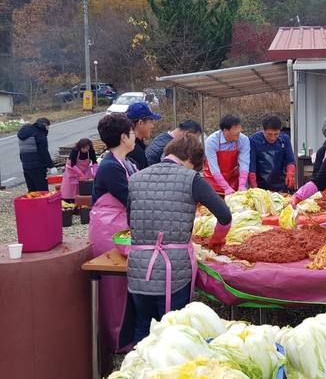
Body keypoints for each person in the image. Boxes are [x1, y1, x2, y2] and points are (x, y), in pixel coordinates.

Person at [127, 133, 232, 344]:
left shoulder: (136, 178)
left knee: (142, 324)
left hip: (139, 267)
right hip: (173, 270)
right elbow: (225, 216)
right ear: (192, 160)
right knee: (174, 330)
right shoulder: (192, 179)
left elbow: (131, 220)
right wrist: (217, 238)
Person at [89, 113, 138, 353]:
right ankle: (116, 341)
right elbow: (131, 198)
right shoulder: (110, 167)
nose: (135, 135)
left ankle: (126, 335)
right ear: (123, 136)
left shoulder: (127, 162)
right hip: (109, 232)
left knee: (125, 286)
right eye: (131, 131)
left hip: (121, 228)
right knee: (113, 290)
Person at [203, 114, 250, 195]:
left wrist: (242, 184)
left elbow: (244, 163)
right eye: (235, 128)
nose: (239, 131)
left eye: (239, 127)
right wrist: (226, 187)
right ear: (225, 131)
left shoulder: (244, 140)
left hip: (232, 177)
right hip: (213, 179)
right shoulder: (212, 141)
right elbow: (214, 168)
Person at [248, 115, 296, 192]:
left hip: (281, 185)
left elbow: (290, 159)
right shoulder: (253, 140)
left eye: (276, 134)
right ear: (262, 129)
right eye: (269, 134)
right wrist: (254, 186)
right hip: (261, 185)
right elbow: (251, 165)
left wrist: (290, 173)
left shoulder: (285, 139)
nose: (272, 138)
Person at [17, 117, 56, 192]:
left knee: (32, 191)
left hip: (26, 166)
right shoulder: (39, 133)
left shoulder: (25, 131)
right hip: (38, 167)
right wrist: (51, 166)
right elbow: (44, 151)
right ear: (44, 125)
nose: (47, 129)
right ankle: (42, 204)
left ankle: (33, 204)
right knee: (42, 191)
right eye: (48, 126)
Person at [126, 101, 162, 170]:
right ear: (140, 123)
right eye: (151, 122)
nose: (152, 126)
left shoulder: (127, 144)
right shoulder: (135, 152)